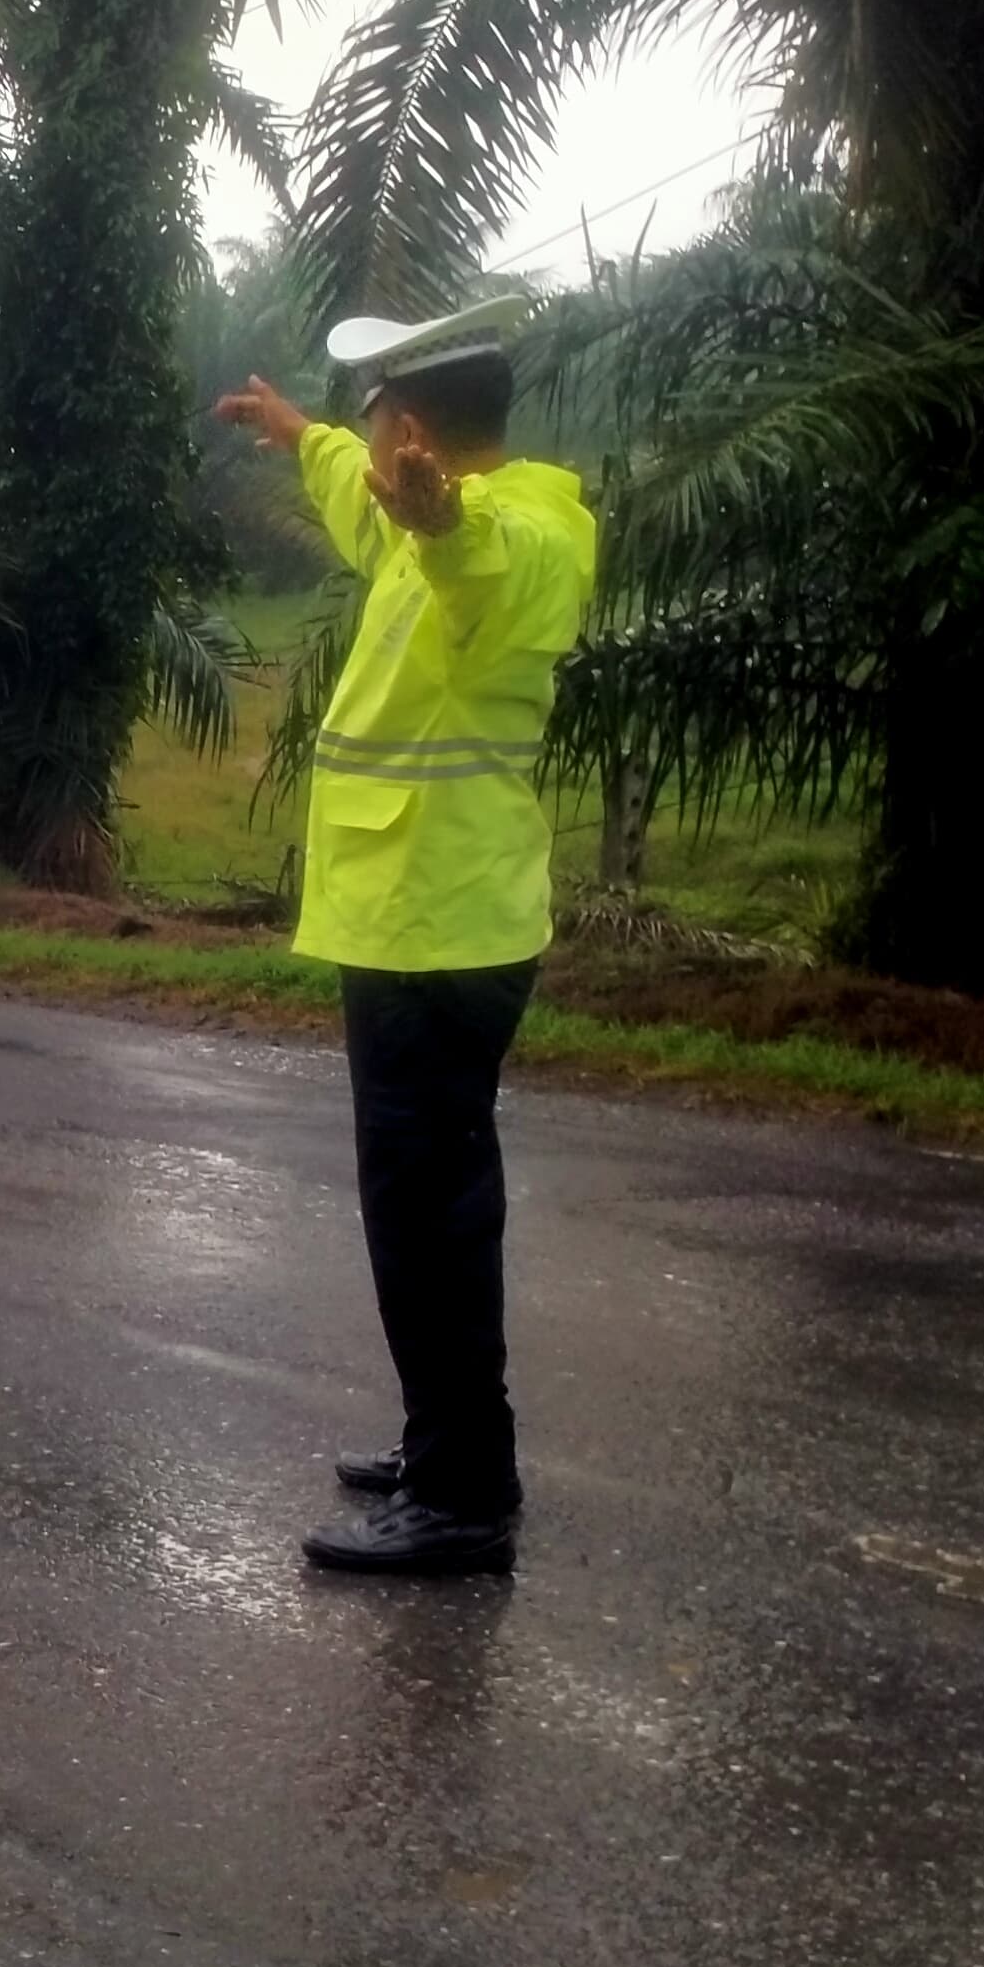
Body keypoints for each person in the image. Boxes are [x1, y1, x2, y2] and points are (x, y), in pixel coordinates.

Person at [216, 295, 596, 1578]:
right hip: (412, 920)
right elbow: (361, 496)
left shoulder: (525, 526)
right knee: (423, 1206)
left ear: (416, 436)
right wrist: (301, 434)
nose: (367, 449)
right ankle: (451, 1440)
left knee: (428, 1216)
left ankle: (460, 1495)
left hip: (441, 931)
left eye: (374, 424)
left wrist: (444, 523)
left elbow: (489, 562)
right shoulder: (404, 518)